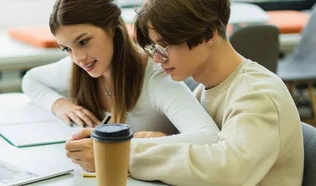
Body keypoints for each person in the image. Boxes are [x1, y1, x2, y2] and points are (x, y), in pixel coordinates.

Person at [96, 0, 302, 185]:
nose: (157, 60)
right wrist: (164, 140)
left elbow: (228, 171)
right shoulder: (205, 90)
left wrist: (124, 155)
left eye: (165, 46)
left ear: (208, 35)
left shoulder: (257, 95)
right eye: (154, 49)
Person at [21, 0, 219, 172]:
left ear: (112, 28)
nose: (78, 58)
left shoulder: (156, 79)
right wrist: (60, 104)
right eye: (67, 49)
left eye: (83, 41)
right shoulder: (78, 68)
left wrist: (116, 149)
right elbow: (30, 80)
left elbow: (210, 137)